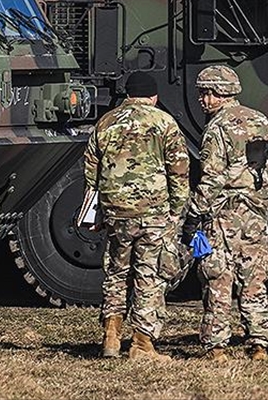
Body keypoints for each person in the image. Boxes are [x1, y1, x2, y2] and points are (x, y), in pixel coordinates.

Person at [84, 70, 189, 361]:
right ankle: (142, 343)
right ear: (153, 96)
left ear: (127, 95)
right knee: (149, 274)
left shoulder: (105, 122)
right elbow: (179, 170)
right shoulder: (164, 122)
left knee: (116, 272)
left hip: (116, 212)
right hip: (153, 212)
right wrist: (177, 212)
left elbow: (91, 172)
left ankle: (111, 337)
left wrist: (97, 210)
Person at [182, 65, 268, 361]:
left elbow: (211, 178)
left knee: (218, 278)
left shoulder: (217, 128)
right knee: (254, 276)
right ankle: (259, 343)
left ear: (216, 94)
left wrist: (194, 213)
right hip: (253, 216)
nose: (201, 100)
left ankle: (217, 346)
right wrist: (261, 203)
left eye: (204, 93)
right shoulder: (260, 120)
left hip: (222, 217)